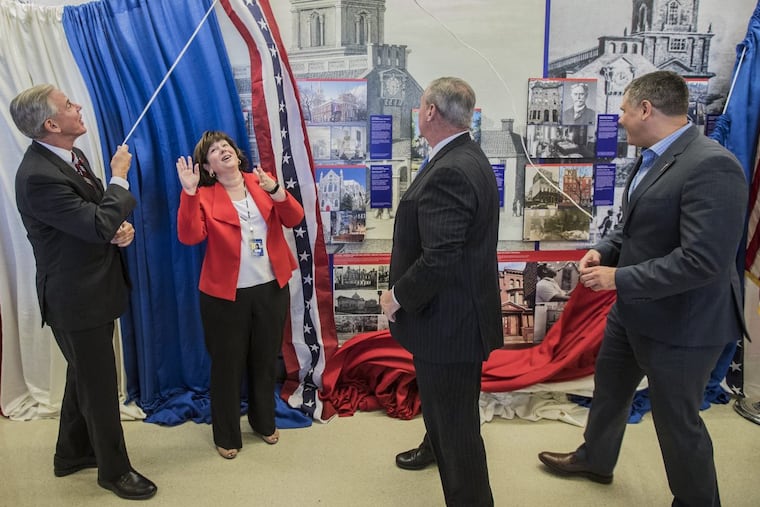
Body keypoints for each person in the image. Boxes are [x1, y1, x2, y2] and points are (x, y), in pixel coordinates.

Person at [538, 70, 748, 506]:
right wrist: (604, 251)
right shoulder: (651, 157)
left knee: (677, 423)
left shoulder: (713, 165)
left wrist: (619, 279)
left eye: (625, 109)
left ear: (646, 109)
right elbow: (636, 231)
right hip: (634, 312)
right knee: (610, 393)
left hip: (684, 325)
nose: (621, 117)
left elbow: (703, 261)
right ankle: (595, 459)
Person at [10, 84, 156, 500]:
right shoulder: (37, 176)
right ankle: (114, 471)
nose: (78, 106)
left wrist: (117, 230)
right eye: (68, 105)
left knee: (84, 375)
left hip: (93, 288)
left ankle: (71, 453)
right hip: (75, 298)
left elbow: (92, 220)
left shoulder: (71, 156)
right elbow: (95, 224)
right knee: (99, 387)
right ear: (51, 124)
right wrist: (119, 176)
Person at [380, 77, 502, 506]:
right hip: (458, 318)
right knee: (448, 410)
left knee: (457, 430)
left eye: (420, 106)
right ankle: (433, 447)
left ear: (430, 111)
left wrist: (396, 297)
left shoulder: (450, 169)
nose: (417, 112)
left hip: (448, 326)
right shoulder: (464, 155)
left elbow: (440, 258)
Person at [176, 131, 304, 460]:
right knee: (227, 366)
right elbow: (190, 237)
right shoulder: (203, 194)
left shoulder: (261, 181)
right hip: (224, 296)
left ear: (236, 152)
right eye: (214, 152)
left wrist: (275, 190)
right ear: (208, 167)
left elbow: (294, 218)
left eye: (226, 147)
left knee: (264, 361)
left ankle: (264, 421)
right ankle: (227, 433)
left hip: (270, 288)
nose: (223, 152)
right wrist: (189, 193)